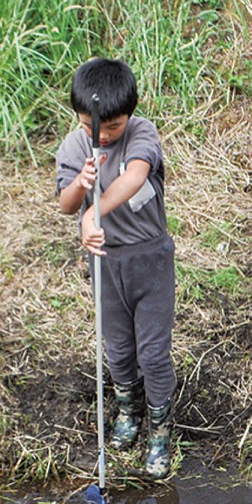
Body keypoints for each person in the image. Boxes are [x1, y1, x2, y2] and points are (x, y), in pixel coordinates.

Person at [55, 58, 177, 478]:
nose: (102, 136)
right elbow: (66, 204)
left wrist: (95, 215)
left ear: (129, 113)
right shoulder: (74, 147)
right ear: (78, 117)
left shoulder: (141, 132)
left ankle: (160, 427)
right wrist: (81, 187)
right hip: (106, 264)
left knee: (153, 353)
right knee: (119, 350)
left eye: (112, 127)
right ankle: (129, 410)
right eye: (93, 126)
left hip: (151, 259)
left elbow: (136, 178)